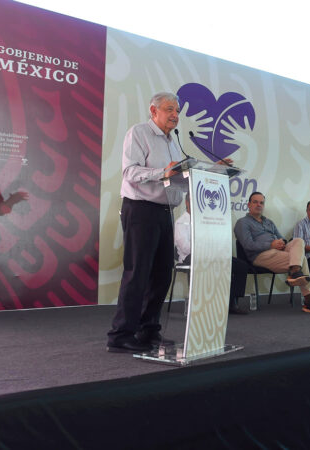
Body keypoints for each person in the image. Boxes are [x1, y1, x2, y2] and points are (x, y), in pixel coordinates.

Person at [108, 92, 185, 353]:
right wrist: (163, 172)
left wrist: (204, 171)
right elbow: (130, 171)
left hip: (164, 211)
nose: (175, 114)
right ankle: (121, 334)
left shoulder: (173, 142)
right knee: (138, 272)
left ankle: (147, 330)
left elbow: (176, 175)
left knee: (162, 274)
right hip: (140, 210)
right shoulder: (138, 133)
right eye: (169, 109)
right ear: (153, 111)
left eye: (177, 110)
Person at [234, 192, 310, 314]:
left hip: (278, 251)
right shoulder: (242, 223)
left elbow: (282, 238)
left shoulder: (269, 222)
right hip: (260, 255)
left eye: (261, 202)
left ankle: (295, 271)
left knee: (298, 240)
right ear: (248, 205)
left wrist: (281, 242)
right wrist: (270, 245)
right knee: (301, 258)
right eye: (255, 202)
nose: (259, 205)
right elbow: (248, 245)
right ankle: (308, 299)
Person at [175, 193, 250, 314]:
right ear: (187, 203)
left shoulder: (205, 219)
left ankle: (231, 303)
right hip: (190, 257)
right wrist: (205, 248)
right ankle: (201, 305)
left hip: (211, 254)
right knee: (208, 263)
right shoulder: (181, 222)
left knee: (241, 266)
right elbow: (184, 247)